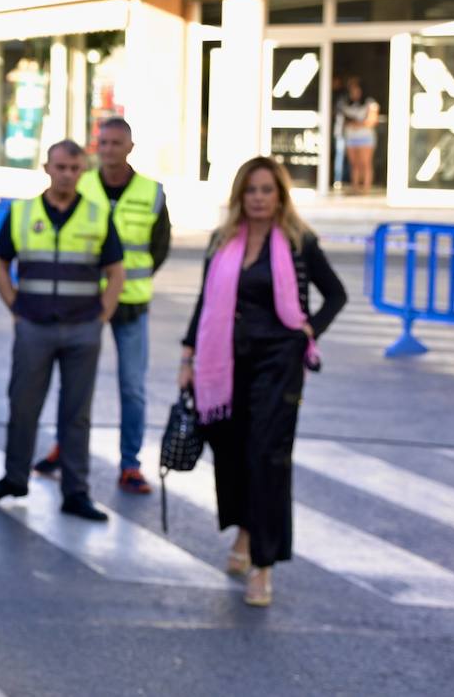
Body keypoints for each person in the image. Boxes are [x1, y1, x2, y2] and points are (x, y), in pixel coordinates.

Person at [180, 156, 346, 607]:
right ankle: (245, 531)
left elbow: (336, 294)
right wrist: (188, 354)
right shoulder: (222, 240)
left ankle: (263, 565)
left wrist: (308, 330)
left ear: (280, 196)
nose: (258, 198)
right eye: (251, 190)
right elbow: (205, 300)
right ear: (240, 196)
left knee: (267, 457)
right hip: (225, 362)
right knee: (231, 453)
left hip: (278, 363)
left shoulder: (298, 241)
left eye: (266, 190)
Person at [0, 139, 124, 522]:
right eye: (61, 167)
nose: (67, 174)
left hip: (82, 329)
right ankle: (14, 478)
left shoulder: (97, 214)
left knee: (77, 414)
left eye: (74, 168)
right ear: (47, 168)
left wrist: (101, 316)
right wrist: (16, 308)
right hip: (34, 327)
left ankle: (76, 492)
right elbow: (1, 263)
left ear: (82, 171)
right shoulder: (23, 213)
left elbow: (116, 271)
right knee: (23, 406)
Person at [37, 117, 169, 495]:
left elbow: (159, 247)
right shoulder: (85, 183)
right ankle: (65, 449)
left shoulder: (152, 192)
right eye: (104, 143)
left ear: (130, 147)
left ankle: (130, 465)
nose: (109, 150)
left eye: (116, 143)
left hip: (131, 305)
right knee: (76, 387)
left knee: (133, 387)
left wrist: (125, 280)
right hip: (84, 303)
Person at [338, 76, 380, 195]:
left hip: (365, 138)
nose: (353, 91)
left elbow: (372, 120)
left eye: (356, 88)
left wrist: (358, 124)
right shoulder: (345, 102)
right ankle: (355, 187)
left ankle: (366, 189)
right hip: (351, 138)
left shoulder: (370, 102)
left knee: (365, 163)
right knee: (354, 164)